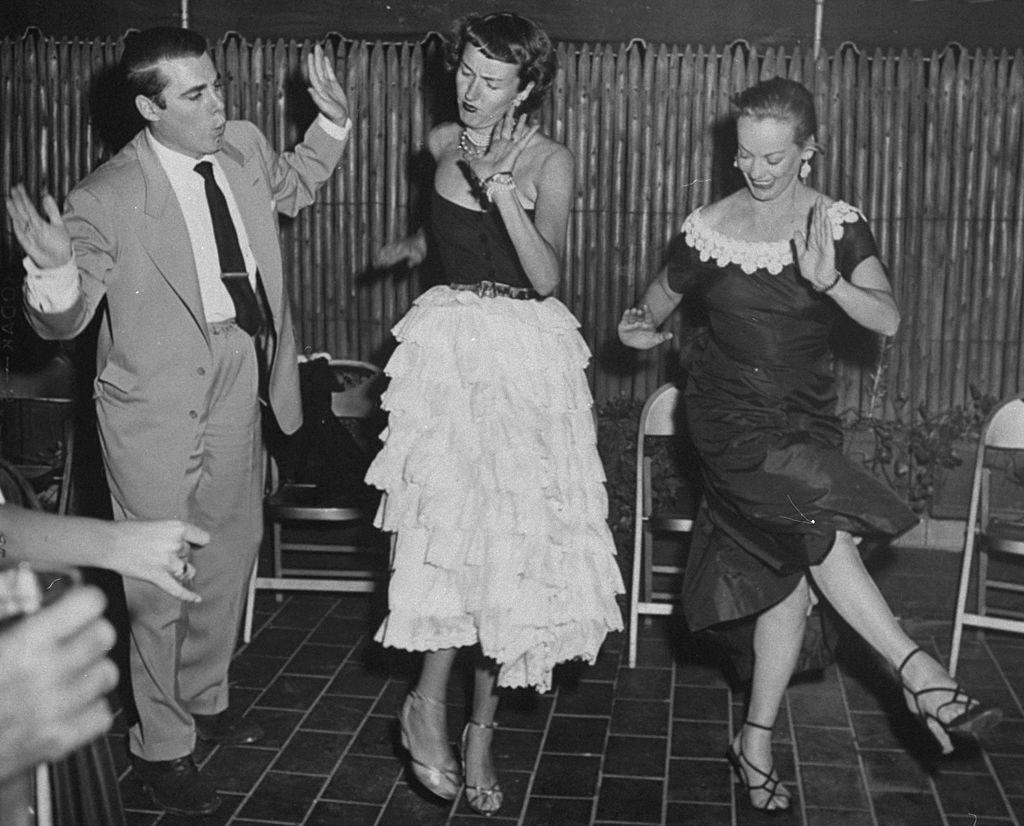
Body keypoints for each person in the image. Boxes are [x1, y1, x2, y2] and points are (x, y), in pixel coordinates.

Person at [619, 77, 1001, 815]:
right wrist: (639, 329)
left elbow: (886, 318)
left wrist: (831, 285)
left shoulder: (836, 224)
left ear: (807, 152)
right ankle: (917, 668)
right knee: (818, 531)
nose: (756, 172)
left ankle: (754, 739)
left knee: (788, 575)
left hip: (805, 420)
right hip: (728, 419)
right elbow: (649, 308)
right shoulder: (708, 227)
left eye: (773, 157)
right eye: (744, 156)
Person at [5, 26, 351, 817]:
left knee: (231, 544)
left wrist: (331, 126)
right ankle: (160, 741)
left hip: (238, 369)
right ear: (148, 108)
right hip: (151, 398)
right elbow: (68, 317)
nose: (220, 104)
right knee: (157, 569)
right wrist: (56, 270)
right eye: (197, 95)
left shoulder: (243, 147)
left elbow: (291, 186)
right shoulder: (105, 195)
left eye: (218, 85)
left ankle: (202, 691)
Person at [370, 12, 623, 815]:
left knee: (509, 547)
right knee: (454, 534)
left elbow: (546, 274)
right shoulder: (441, 140)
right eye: (465, 73)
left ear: (528, 87)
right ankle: (427, 706)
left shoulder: (551, 160)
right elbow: (448, 235)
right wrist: (414, 249)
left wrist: (504, 196)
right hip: (450, 350)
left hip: (523, 353)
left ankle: (477, 728)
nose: (472, 92)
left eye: (492, 80)